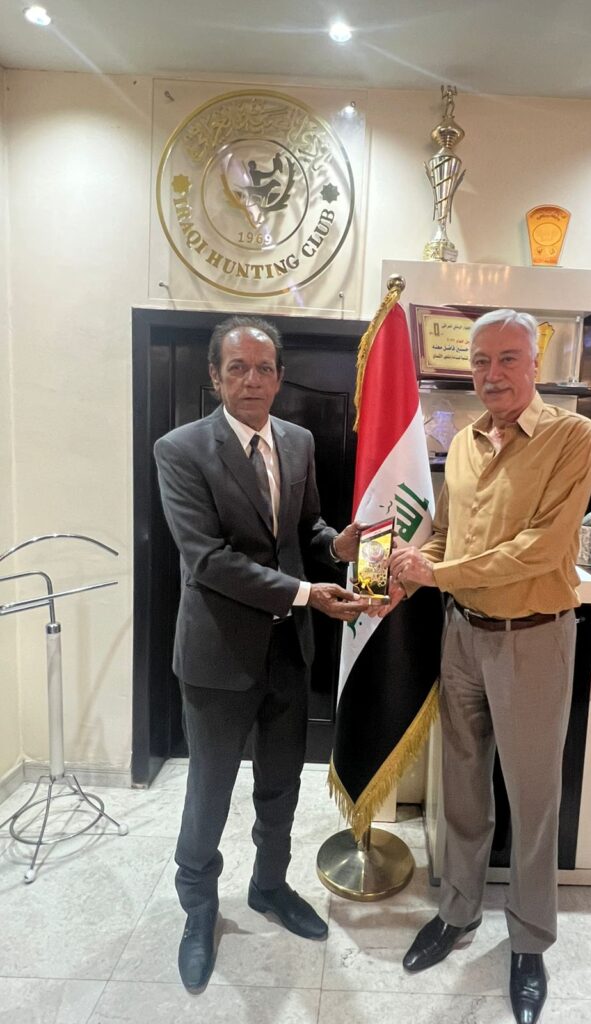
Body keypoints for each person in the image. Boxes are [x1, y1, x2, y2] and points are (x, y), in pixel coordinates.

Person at [388, 309, 591, 1024]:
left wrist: (439, 573)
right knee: (461, 787)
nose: (493, 374)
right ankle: (458, 912)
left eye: (508, 358)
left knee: (533, 799)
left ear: (535, 363)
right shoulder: (464, 442)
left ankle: (530, 942)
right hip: (463, 636)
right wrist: (406, 565)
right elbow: (447, 533)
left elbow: (543, 547)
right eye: (481, 361)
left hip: (532, 639)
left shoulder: (572, 436)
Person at [154, 315, 367, 994]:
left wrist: (337, 545)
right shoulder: (180, 450)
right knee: (209, 790)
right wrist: (306, 592)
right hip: (218, 653)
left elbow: (304, 529)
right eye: (238, 368)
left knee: (281, 784)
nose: (252, 380)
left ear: (279, 376)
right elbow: (208, 559)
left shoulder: (298, 442)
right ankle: (198, 908)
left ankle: (269, 886)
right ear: (215, 376)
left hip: (287, 651)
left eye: (264, 368)